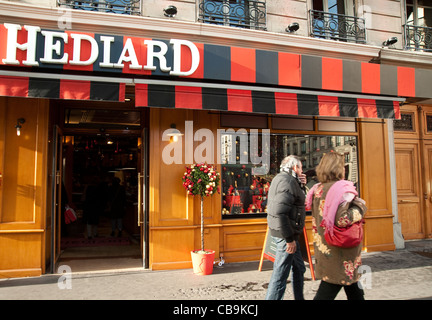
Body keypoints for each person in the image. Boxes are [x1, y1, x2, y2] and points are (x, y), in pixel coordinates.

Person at [305, 152, 367, 300]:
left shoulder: (317, 189)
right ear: (338, 169)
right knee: (332, 286)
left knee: (352, 285)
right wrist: (360, 206)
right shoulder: (342, 189)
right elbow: (342, 219)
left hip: (325, 246)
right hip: (341, 250)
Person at [265, 155, 307, 300]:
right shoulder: (287, 181)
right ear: (295, 167)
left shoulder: (283, 178)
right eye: (301, 167)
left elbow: (296, 202)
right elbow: (280, 211)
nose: (302, 171)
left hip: (289, 233)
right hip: (286, 235)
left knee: (299, 268)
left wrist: (301, 185)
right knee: (280, 275)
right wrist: (289, 239)